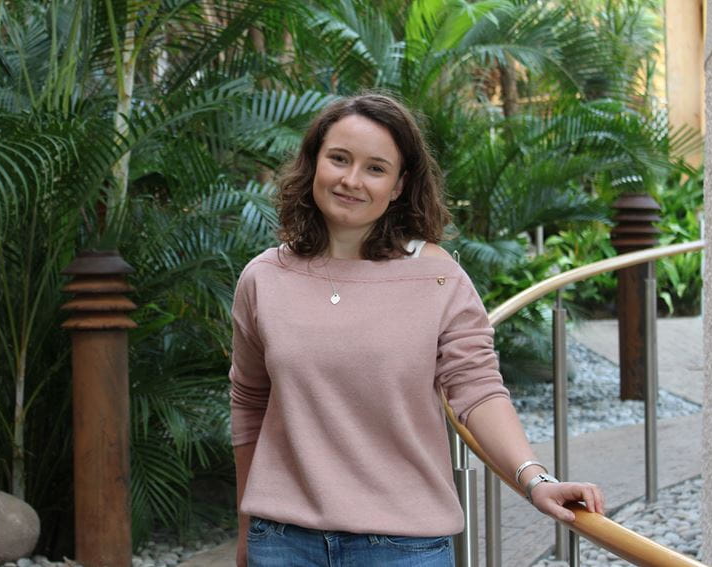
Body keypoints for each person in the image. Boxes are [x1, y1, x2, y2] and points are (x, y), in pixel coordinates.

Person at [229, 93, 604, 567]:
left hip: (403, 547)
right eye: (339, 159)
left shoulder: (439, 278)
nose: (351, 180)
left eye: (375, 168)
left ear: (400, 185)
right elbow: (249, 403)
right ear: (313, 163)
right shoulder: (263, 278)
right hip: (283, 543)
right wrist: (246, 531)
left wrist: (535, 479)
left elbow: (477, 390)